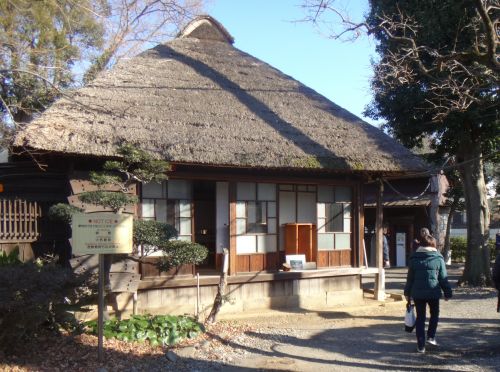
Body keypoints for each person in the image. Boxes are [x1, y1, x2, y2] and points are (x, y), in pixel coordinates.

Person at [404, 234, 452, 353]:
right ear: (433, 245)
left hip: (418, 293)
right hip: (433, 292)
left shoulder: (414, 258)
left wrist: (407, 293)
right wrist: (447, 293)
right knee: (434, 314)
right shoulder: (438, 258)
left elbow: (410, 278)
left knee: (420, 318)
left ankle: (421, 346)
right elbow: (443, 278)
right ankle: (431, 337)